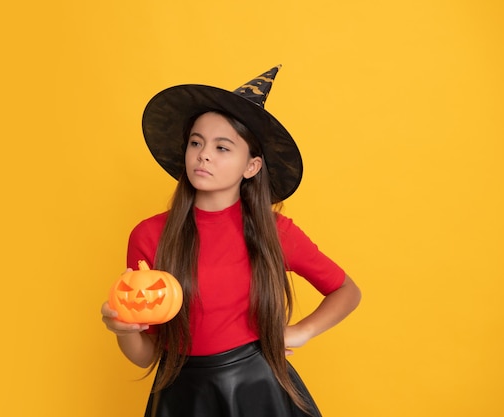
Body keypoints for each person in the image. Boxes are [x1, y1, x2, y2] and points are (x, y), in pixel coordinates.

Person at [101, 66, 361, 417]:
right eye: (196, 142)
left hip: (259, 389)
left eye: (223, 148)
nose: (204, 154)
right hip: (182, 394)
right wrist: (122, 328)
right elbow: (146, 354)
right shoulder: (149, 235)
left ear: (251, 167)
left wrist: (301, 331)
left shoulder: (275, 232)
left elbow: (346, 290)